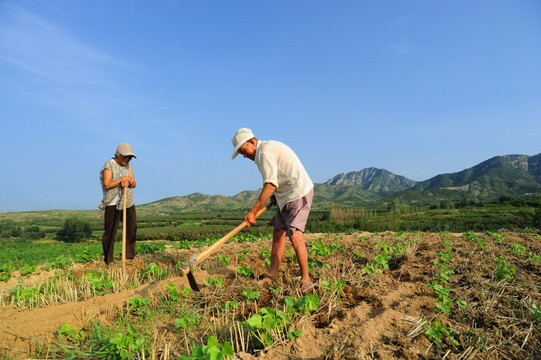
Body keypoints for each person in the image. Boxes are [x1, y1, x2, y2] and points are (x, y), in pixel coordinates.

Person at [231, 128, 314, 292]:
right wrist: (276, 196)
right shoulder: (263, 152)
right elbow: (277, 177)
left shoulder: (265, 152)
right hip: (285, 195)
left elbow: (270, 184)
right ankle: (271, 275)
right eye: (241, 153)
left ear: (252, 141)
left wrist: (253, 212)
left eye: (243, 151)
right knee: (278, 233)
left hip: (296, 193)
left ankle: (306, 280)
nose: (244, 156)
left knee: (295, 237)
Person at [98, 143, 137, 265]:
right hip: (113, 202)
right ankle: (109, 260)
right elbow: (107, 184)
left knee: (131, 228)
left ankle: (129, 256)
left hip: (128, 201)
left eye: (129, 157)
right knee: (110, 231)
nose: (127, 159)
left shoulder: (128, 166)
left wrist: (129, 181)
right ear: (118, 154)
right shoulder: (109, 164)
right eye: (125, 156)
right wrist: (121, 180)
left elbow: (134, 183)